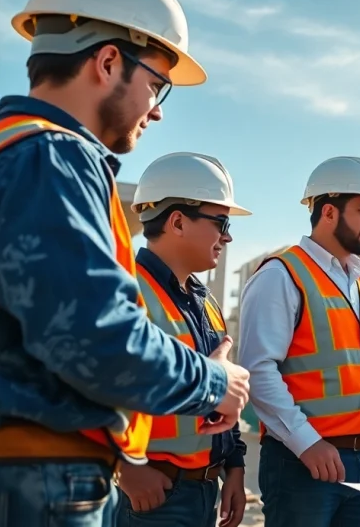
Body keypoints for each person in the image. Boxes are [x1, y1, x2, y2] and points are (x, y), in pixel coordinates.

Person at [0, 0, 249, 527]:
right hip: (39, 483)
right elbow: (97, 340)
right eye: (156, 85)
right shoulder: (53, 158)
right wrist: (215, 382)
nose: (156, 111)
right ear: (108, 62)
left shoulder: (17, 149)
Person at [238, 156, 360, 527]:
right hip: (303, 463)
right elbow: (257, 371)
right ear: (328, 212)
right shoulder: (281, 275)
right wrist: (307, 443)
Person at [116, 153, 252, 527]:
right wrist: (125, 470)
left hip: (203, 490)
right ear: (177, 221)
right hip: (152, 496)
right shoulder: (124, 291)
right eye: (221, 222)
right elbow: (79, 385)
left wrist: (234, 466)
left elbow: (224, 393)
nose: (228, 236)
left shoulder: (205, 301)